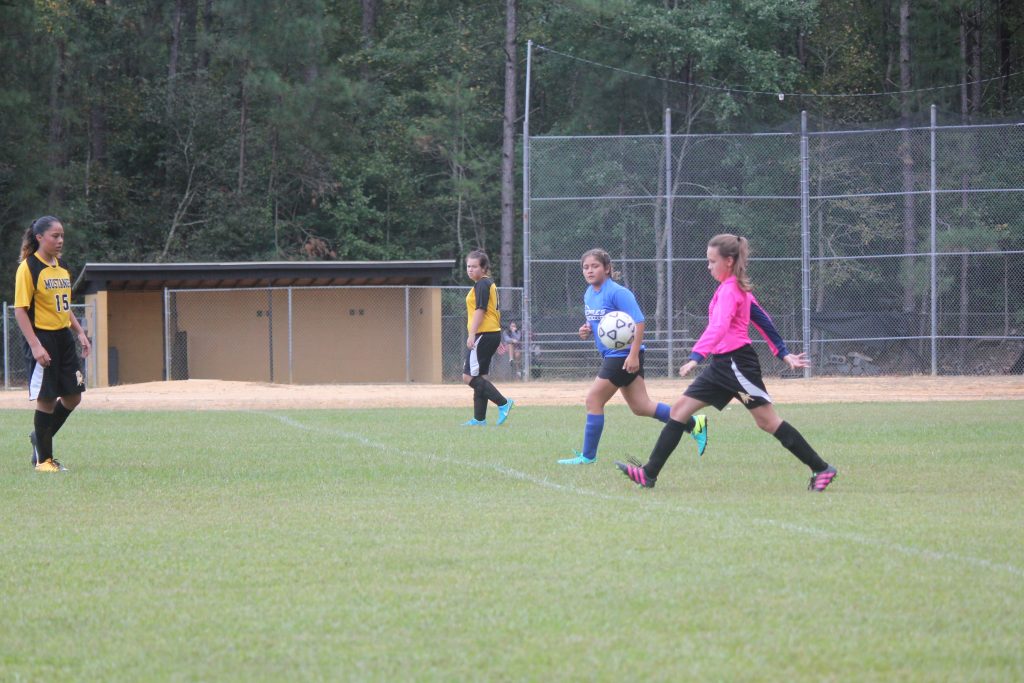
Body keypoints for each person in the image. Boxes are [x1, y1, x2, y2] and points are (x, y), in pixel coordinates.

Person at [616, 234, 838, 491]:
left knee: (767, 421)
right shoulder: (730, 289)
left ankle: (822, 468)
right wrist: (783, 352)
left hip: (737, 366)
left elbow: (721, 326)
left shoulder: (732, 290)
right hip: (722, 365)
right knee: (679, 411)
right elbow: (762, 319)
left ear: (729, 261)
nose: (708, 266)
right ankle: (648, 474)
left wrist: (696, 356)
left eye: (712, 261)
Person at [557, 248, 706, 465]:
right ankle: (693, 424)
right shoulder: (589, 293)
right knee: (641, 406)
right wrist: (587, 328)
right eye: (585, 267)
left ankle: (588, 457)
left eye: (595, 266)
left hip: (623, 355)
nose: (589, 271)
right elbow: (602, 322)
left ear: (607, 268)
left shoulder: (618, 292)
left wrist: (634, 354)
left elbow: (639, 321)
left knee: (593, 400)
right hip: (615, 354)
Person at [14, 216, 92, 472]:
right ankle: (44, 460)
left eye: (61, 236)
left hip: (63, 338)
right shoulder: (29, 267)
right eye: (54, 236)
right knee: (46, 398)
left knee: (73, 396)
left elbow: (64, 306)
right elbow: (20, 311)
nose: (60, 241)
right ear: (39, 238)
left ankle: (39, 438)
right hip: (42, 338)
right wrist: (35, 346)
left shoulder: (63, 267)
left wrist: (79, 332)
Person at [462, 249, 513, 426]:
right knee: (480, 377)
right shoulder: (485, 284)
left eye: (474, 266)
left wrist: (472, 334)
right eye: (468, 266)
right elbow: (494, 312)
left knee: (468, 377)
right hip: (490, 333)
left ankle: (503, 403)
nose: (470, 270)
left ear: (484, 268)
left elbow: (481, 310)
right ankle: (479, 419)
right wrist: (497, 336)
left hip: (483, 334)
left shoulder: (482, 284)